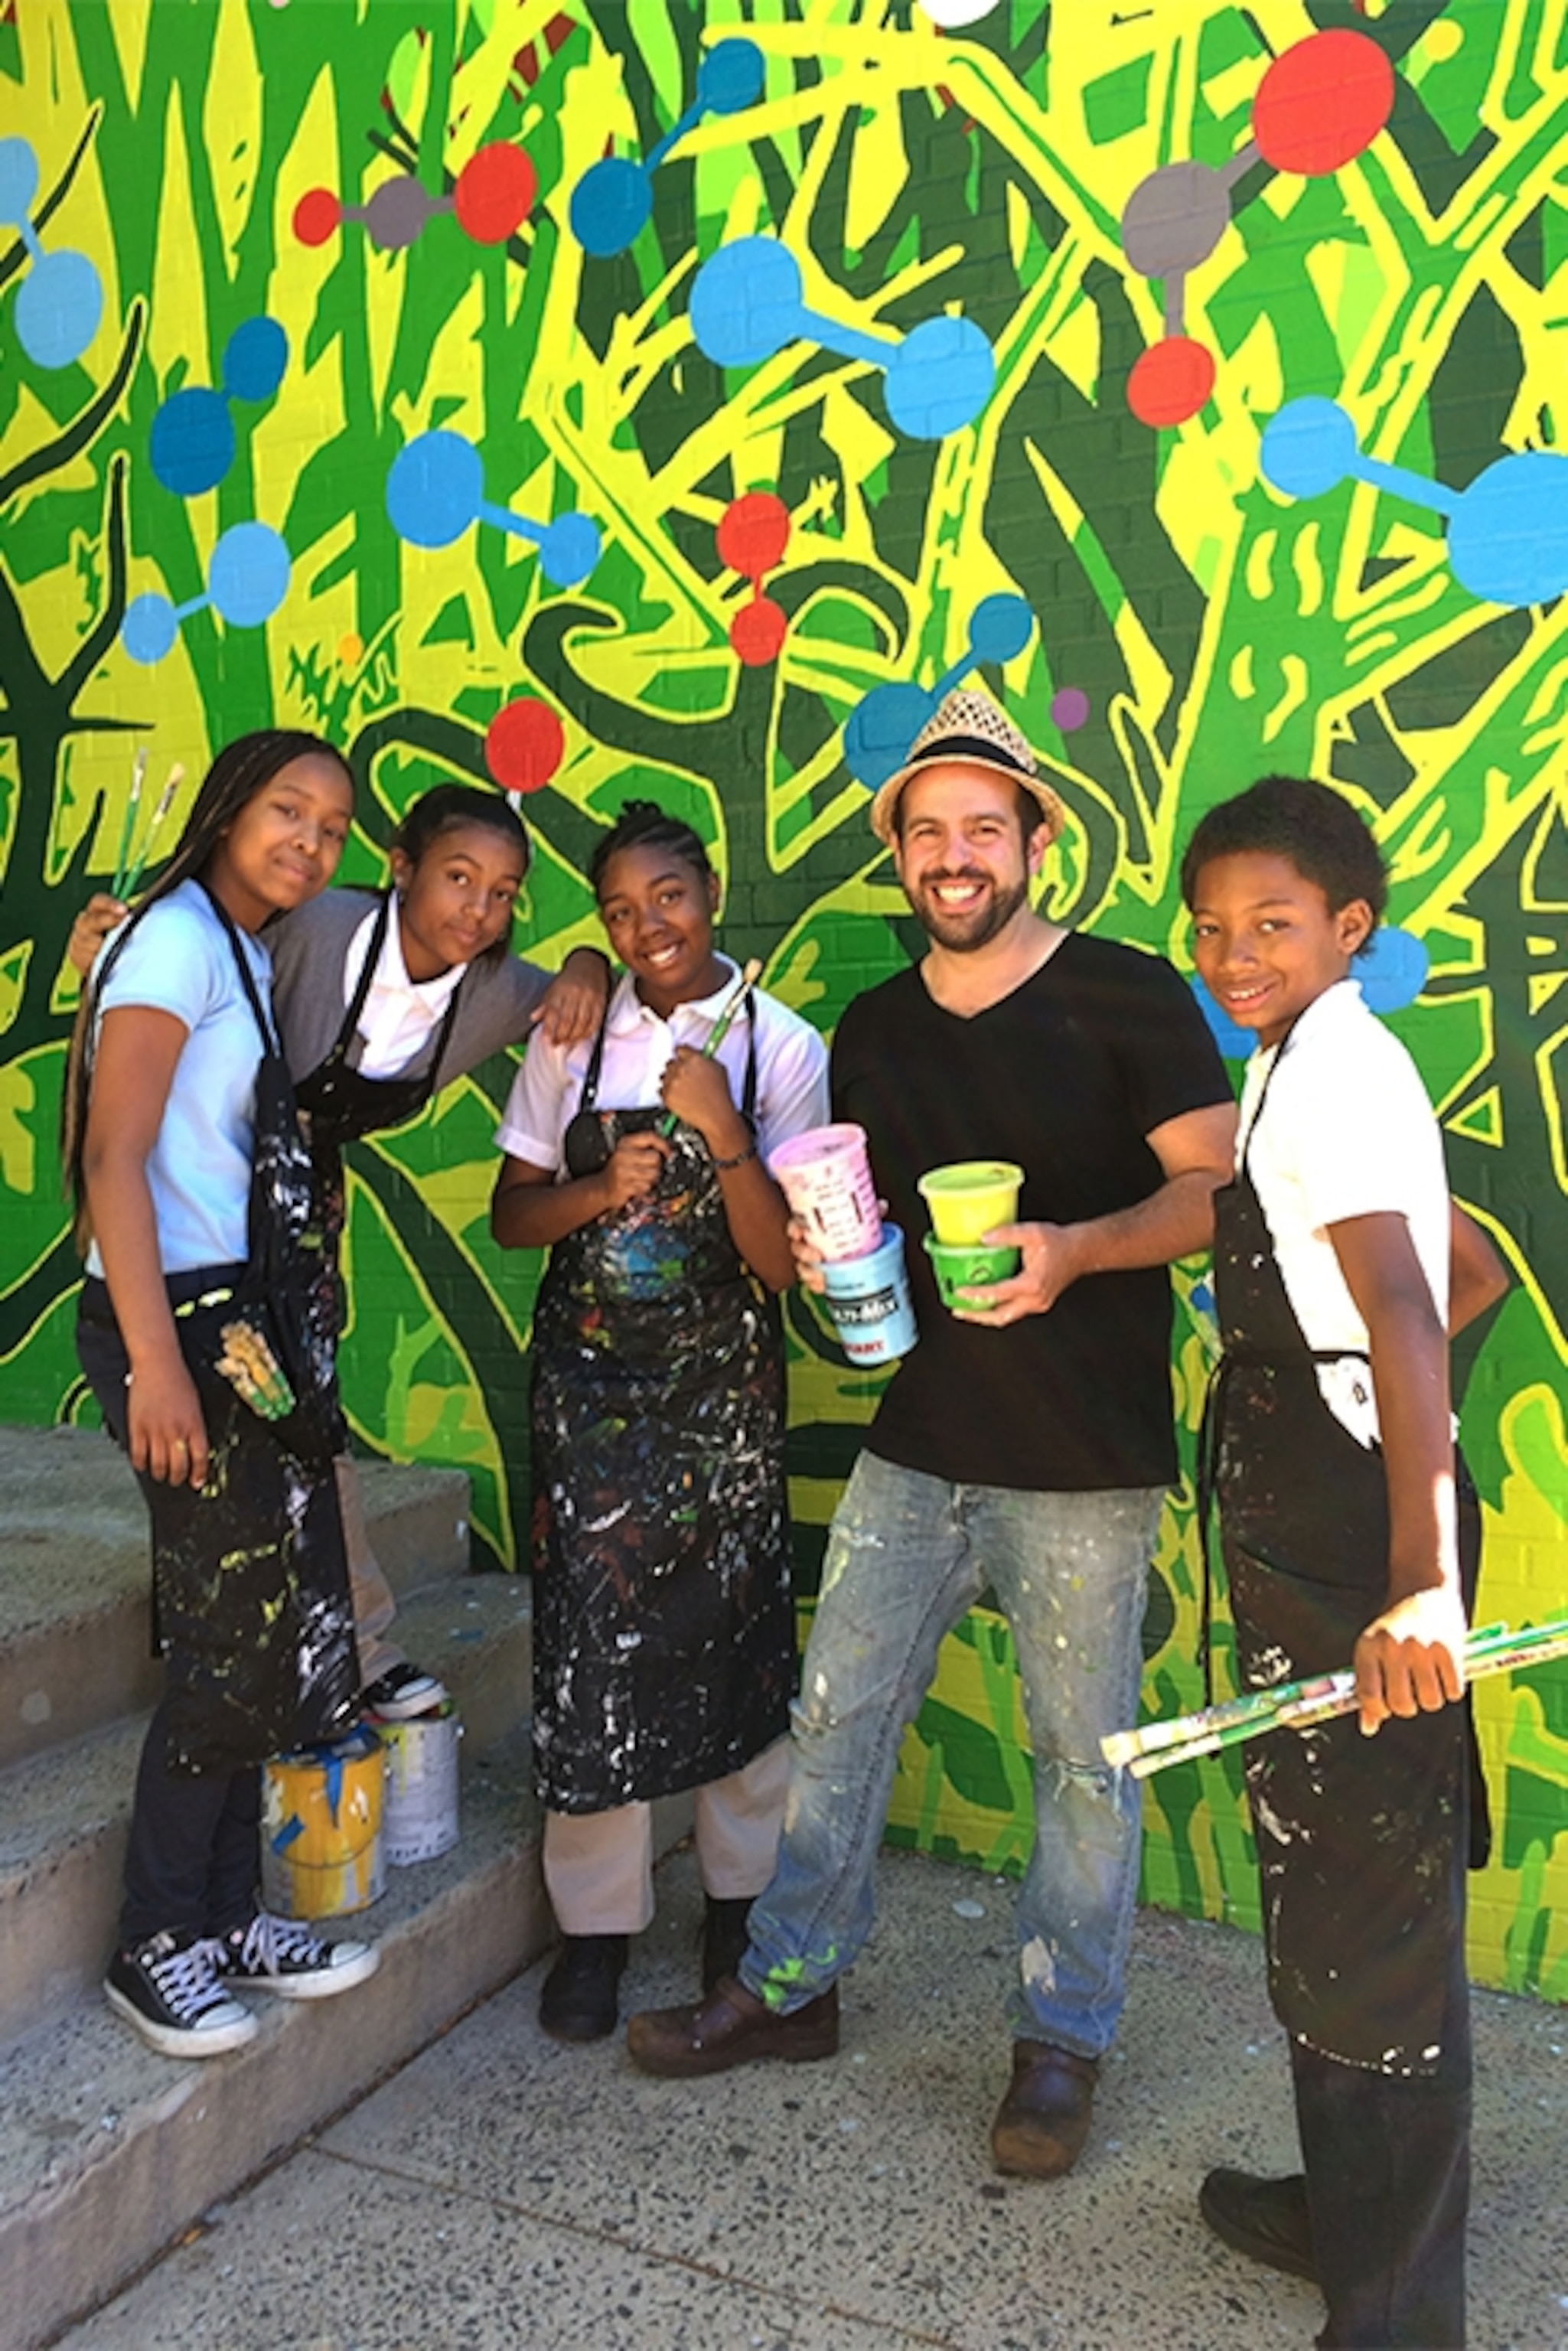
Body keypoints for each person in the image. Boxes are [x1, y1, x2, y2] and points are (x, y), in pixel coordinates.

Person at [625, 690, 1237, 2187]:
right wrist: (844, 1264)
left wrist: (1073, 1249)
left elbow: (1214, 1194)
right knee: (832, 1726)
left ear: (1034, 840)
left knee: (1080, 1764)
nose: (953, 854)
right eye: (925, 833)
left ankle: (1061, 2045)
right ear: (897, 855)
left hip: (1084, 1458)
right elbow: (858, 1220)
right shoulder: (878, 1026)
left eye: (982, 826)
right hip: (918, 1436)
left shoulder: (1130, 990)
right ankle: (786, 1990)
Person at [1179, 775, 1508, 2349]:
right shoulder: (1294, 1063)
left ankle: (1396, 2314)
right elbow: (1476, 1271)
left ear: (1347, 927)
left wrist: (1416, 1569)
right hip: (1313, 1544)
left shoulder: (1331, 1079)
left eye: (1273, 924)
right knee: (1331, 1900)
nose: (1233, 951)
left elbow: (1408, 1309)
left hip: (1355, 1564)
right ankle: (1346, 2208)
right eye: (1212, 925)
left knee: (1371, 1933)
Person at [71, 783, 609, 1719]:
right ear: (399, 869)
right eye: (457, 879)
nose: (479, 911)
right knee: (220, 1431)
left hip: (304, 1208)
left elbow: (589, 985)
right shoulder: (315, 925)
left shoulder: (495, 991)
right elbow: (188, 945)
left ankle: (352, 1644)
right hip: (203, 1194)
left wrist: (587, 961)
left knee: (304, 1416)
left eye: (504, 892)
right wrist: (106, 949)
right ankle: (245, 1636)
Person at [491, 801, 830, 2043]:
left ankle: (735, 1904)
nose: (648, 930)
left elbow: (781, 1268)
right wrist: (595, 1186)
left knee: (734, 1631)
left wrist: (724, 1134)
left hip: (722, 1400)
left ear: (708, 887)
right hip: (587, 1395)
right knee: (587, 1646)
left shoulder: (776, 1044)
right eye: (620, 913)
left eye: (667, 899)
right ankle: (596, 1926)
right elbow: (511, 1214)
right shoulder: (574, 1036)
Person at [67, 730, 380, 2058]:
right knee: (223, 1634)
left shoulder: (239, 948)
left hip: (231, 1327)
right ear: (226, 810)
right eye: (285, 811)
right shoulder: (178, 942)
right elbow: (112, 1158)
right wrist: (153, 1361)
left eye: (329, 827)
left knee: (262, 1628)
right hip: (175, 1322)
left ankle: (229, 1910)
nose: (308, 842)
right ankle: (155, 1942)